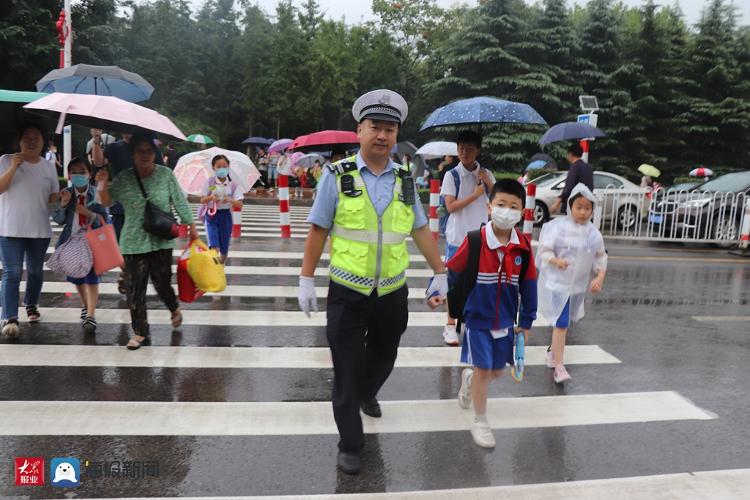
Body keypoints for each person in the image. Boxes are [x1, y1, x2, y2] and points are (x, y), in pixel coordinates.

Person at [297, 89, 448, 475]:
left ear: (397, 135)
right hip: (348, 290)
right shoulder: (337, 175)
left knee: (385, 354)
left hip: (392, 291)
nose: (382, 135)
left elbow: (419, 228)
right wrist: (306, 279)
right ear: (359, 131)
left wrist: (440, 272)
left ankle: (368, 392)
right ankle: (350, 443)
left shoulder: (405, 178)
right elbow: (318, 228)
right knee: (346, 367)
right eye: (375, 127)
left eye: (390, 129)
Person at [444, 179, 537, 448]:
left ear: (521, 213)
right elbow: (453, 272)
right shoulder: (475, 241)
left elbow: (529, 286)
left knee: (496, 371)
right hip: (477, 320)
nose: (506, 211)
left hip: (506, 322)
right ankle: (481, 421)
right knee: (485, 370)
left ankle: (471, 379)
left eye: (513, 206)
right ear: (489, 207)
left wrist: (526, 322)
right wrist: (448, 298)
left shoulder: (523, 248)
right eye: (501, 204)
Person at [97, 132, 198, 350]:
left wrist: (191, 227)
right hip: (133, 240)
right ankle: (140, 332)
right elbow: (107, 201)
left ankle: (173, 307)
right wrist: (102, 183)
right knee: (135, 288)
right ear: (132, 154)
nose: (145, 155)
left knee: (162, 284)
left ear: (155, 153)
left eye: (149, 150)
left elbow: (179, 200)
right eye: (139, 151)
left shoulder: (165, 175)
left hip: (160, 240)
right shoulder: (124, 178)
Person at [536, 183, 607, 383]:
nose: (583, 212)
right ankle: (559, 366)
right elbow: (544, 252)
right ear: (570, 206)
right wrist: (556, 261)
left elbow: (601, 258)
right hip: (557, 284)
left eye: (587, 208)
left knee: (562, 323)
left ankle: (552, 355)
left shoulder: (594, 234)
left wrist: (599, 277)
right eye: (579, 207)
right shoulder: (558, 228)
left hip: (576, 287)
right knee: (562, 324)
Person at [0, 123, 61, 338]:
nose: (32, 140)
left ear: (44, 142)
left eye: (36, 136)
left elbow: (53, 196)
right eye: (27, 136)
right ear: (19, 140)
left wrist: (64, 196)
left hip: (39, 229)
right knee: (12, 273)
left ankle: (31, 304)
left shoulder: (48, 166)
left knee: (35, 271)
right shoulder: (6, 160)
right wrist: (14, 167)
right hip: (10, 228)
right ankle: (9, 317)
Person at [439, 130, 495, 346]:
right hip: (457, 237)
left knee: (477, 282)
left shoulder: (486, 174)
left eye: (470, 148)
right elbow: (451, 206)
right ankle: (450, 326)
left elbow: (499, 198)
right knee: (454, 283)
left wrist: (488, 184)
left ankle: (472, 323)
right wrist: (476, 194)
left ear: (478, 150)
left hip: (480, 237)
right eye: (461, 147)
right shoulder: (451, 175)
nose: (464, 152)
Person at [92, 131, 164, 294]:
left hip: (143, 206)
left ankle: (132, 274)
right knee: (119, 245)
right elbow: (98, 161)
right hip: (120, 205)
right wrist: (97, 139)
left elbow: (160, 171)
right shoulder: (114, 147)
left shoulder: (148, 147)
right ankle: (127, 271)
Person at [52, 157, 109, 334]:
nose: (78, 175)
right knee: (76, 277)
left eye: (82, 171)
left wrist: (87, 213)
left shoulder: (96, 193)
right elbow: (59, 220)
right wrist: (63, 204)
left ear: (89, 174)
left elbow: (104, 220)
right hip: (72, 241)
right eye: (74, 172)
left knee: (92, 278)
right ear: (69, 175)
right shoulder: (67, 193)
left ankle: (91, 315)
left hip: (92, 242)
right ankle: (85, 305)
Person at [198, 154, 244, 263]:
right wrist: (211, 197)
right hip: (211, 216)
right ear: (213, 168)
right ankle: (213, 266)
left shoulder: (232, 185)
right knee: (214, 245)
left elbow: (240, 204)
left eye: (224, 166)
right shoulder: (210, 182)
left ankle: (221, 265)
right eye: (219, 166)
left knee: (224, 246)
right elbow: (202, 200)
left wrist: (229, 200)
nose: (222, 169)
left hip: (225, 217)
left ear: (228, 167)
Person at [550, 143, 593, 215]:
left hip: (573, 205)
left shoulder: (575, 167)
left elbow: (569, 187)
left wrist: (557, 203)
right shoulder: (588, 167)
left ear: (571, 154)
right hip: (585, 206)